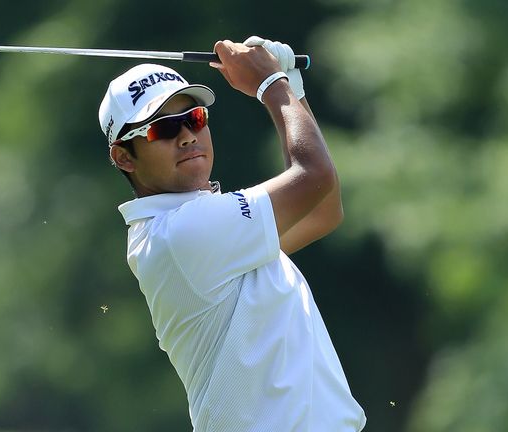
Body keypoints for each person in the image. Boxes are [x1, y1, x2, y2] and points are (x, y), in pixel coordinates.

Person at [98, 36, 366, 432]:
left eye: (194, 119)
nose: (187, 135)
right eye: (164, 129)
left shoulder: (199, 229)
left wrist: (290, 85)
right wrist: (270, 83)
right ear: (123, 156)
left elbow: (323, 209)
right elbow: (314, 176)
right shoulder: (181, 233)